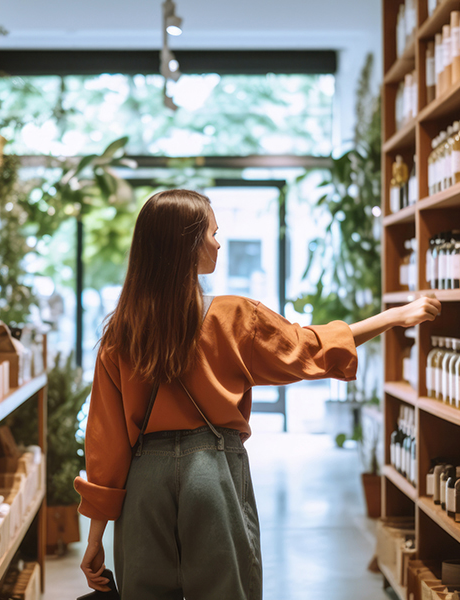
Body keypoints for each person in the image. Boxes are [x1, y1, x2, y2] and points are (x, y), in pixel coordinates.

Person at [74, 189, 441, 600]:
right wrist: (392, 317)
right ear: (187, 245)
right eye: (211, 233)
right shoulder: (233, 316)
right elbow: (308, 347)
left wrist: (95, 537)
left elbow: (106, 445)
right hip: (210, 475)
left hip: (145, 485)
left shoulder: (120, 334)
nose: (218, 241)